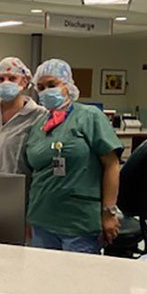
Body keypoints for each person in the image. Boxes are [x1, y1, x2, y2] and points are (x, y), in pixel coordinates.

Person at [24, 59, 123, 254]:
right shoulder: (39, 124)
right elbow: (35, 172)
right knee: (42, 281)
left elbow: (112, 165)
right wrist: (30, 217)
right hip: (41, 218)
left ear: (67, 85)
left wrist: (109, 212)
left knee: (77, 282)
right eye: (41, 87)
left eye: (52, 85)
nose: (46, 91)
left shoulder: (89, 116)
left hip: (78, 222)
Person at [0, 57, 45, 174]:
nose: (6, 82)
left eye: (12, 78)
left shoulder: (38, 116)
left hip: (17, 189)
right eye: (1, 79)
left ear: (25, 81)